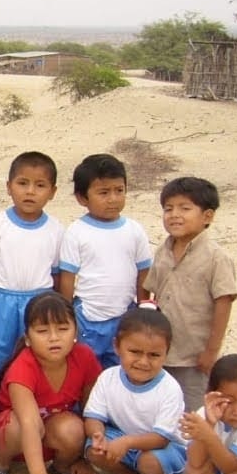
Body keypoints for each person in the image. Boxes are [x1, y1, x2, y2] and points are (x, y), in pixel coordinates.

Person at [0, 292, 102, 474]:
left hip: (50, 438)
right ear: (28, 338)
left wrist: (82, 457)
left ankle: (62, 465)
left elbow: (91, 409)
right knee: (22, 424)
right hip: (13, 437)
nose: (54, 338)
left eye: (62, 329)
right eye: (42, 331)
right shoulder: (23, 368)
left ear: (75, 331)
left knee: (74, 428)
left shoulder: (84, 358)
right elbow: (29, 424)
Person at [144, 177, 237, 411]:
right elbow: (151, 293)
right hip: (160, 351)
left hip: (193, 356)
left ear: (207, 216)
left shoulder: (216, 258)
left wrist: (211, 351)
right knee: (160, 408)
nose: (174, 215)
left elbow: (224, 303)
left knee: (193, 413)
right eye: (168, 209)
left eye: (185, 208)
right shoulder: (162, 251)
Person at [0, 151, 64, 382]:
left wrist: (58, 312)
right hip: (0, 304)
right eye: (23, 183)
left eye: (40, 185)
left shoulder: (56, 229)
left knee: (37, 359)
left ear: (52, 192)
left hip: (39, 304)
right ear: (9, 187)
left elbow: (57, 275)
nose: (30, 191)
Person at [83, 308, 187, 474]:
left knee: (149, 463)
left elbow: (161, 438)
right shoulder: (108, 378)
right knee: (93, 450)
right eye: (135, 352)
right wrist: (97, 435)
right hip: (123, 439)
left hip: (163, 449)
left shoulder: (170, 389)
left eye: (154, 355)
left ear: (166, 353)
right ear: (117, 346)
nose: (143, 362)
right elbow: (94, 417)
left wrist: (127, 442)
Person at [58, 154, 152, 368]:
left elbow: (143, 272)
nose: (113, 199)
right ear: (82, 198)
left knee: (122, 368)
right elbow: (67, 278)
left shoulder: (134, 230)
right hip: (87, 319)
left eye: (119, 190)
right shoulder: (76, 232)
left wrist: (143, 309)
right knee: (86, 369)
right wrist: (66, 317)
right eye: (103, 192)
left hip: (125, 316)